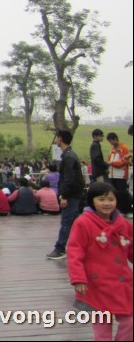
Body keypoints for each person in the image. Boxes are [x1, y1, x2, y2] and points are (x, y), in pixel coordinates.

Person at [67, 182, 133, 341]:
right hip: (97, 285)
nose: (106, 203)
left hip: (122, 283)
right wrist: (78, 278)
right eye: (101, 199)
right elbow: (74, 252)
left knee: (130, 322)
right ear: (92, 201)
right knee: (102, 329)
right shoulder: (83, 222)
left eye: (111, 199)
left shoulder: (123, 224)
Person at [46, 129, 84, 259]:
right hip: (75, 194)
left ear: (60, 139)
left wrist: (64, 196)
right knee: (74, 223)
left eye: (56, 137)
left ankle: (60, 249)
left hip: (72, 195)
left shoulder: (68, 157)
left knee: (66, 222)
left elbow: (69, 179)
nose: (56, 139)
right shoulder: (69, 154)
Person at [107, 132, 132, 215]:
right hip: (112, 174)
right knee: (115, 192)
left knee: (122, 192)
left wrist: (112, 163)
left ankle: (125, 210)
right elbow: (109, 159)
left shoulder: (124, 148)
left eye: (111, 141)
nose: (110, 143)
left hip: (121, 174)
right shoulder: (112, 149)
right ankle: (117, 209)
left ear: (115, 139)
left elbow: (124, 162)